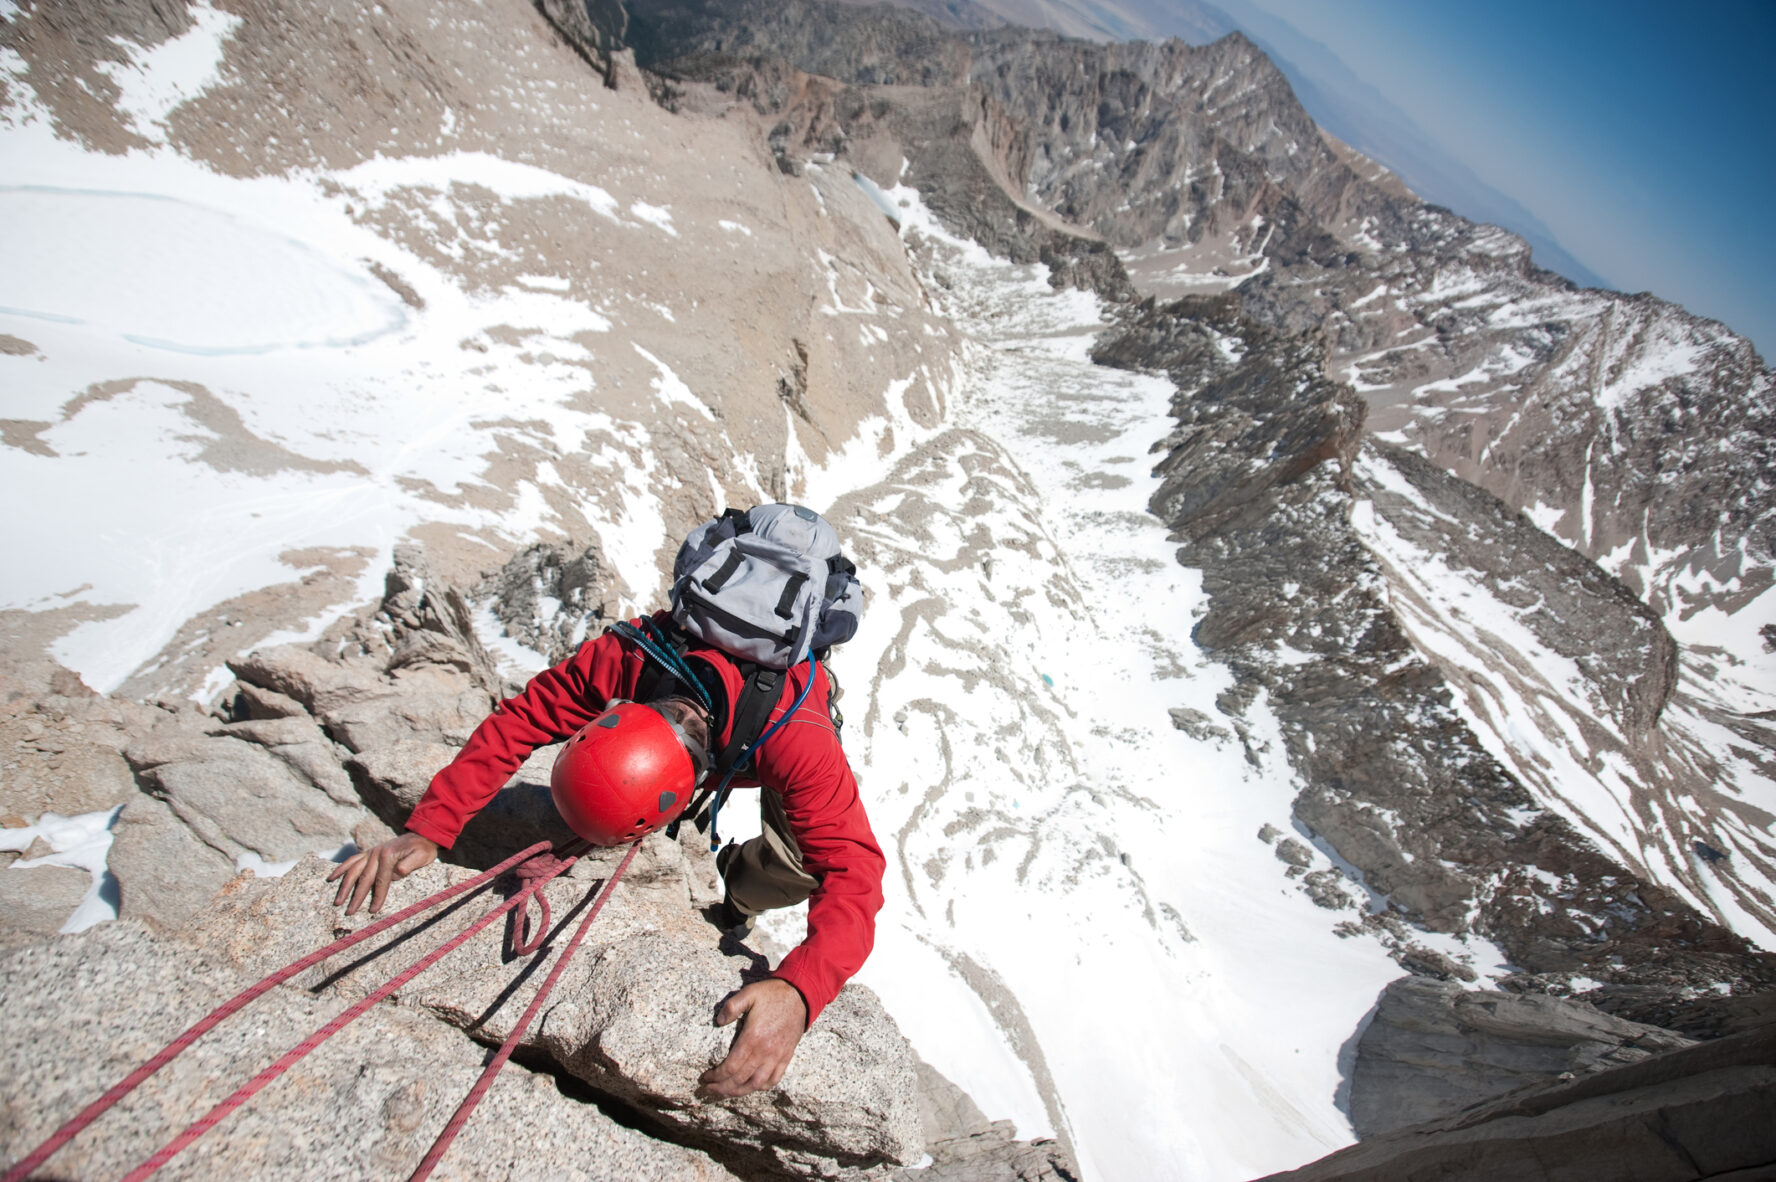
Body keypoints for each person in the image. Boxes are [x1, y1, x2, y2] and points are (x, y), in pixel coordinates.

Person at [326, 605, 886, 1100]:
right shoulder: (627, 657)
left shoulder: (799, 739)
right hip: (724, 726)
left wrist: (801, 989)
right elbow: (523, 719)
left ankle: (739, 899)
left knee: (796, 866)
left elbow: (854, 867)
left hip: (775, 725)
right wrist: (431, 827)